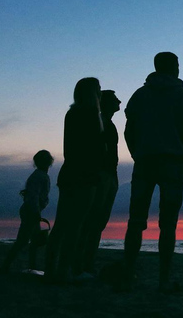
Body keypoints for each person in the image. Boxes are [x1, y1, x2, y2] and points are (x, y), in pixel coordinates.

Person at [122, 52, 183, 293]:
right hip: (173, 163)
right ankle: (163, 280)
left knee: (135, 221)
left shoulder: (140, 95)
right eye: (177, 64)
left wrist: (138, 154)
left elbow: (128, 131)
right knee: (168, 225)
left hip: (144, 161)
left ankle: (128, 275)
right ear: (173, 67)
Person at [45, 77, 106, 283]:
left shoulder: (72, 113)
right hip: (85, 174)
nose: (101, 91)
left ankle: (51, 269)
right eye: (98, 88)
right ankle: (64, 271)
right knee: (76, 225)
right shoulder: (90, 115)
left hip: (70, 172)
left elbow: (69, 149)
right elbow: (94, 149)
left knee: (62, 224)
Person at [78, 89, 121, 275]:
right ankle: (83, 262)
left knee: (98, 222)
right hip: (102, 175)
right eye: (115, 99)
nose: (119, 101)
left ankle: (86, 261)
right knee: (93, 221)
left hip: (109, 175)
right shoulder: (99, 122)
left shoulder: (109, 123)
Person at [0, 150, 54, 274]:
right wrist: (36, 212)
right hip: (31, 211)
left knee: (31, 241)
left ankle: (30, 266)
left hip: (32, 210)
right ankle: (5, 267)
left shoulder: (39, 175)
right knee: (23, 241)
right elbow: (33, 196)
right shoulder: (39, 176)